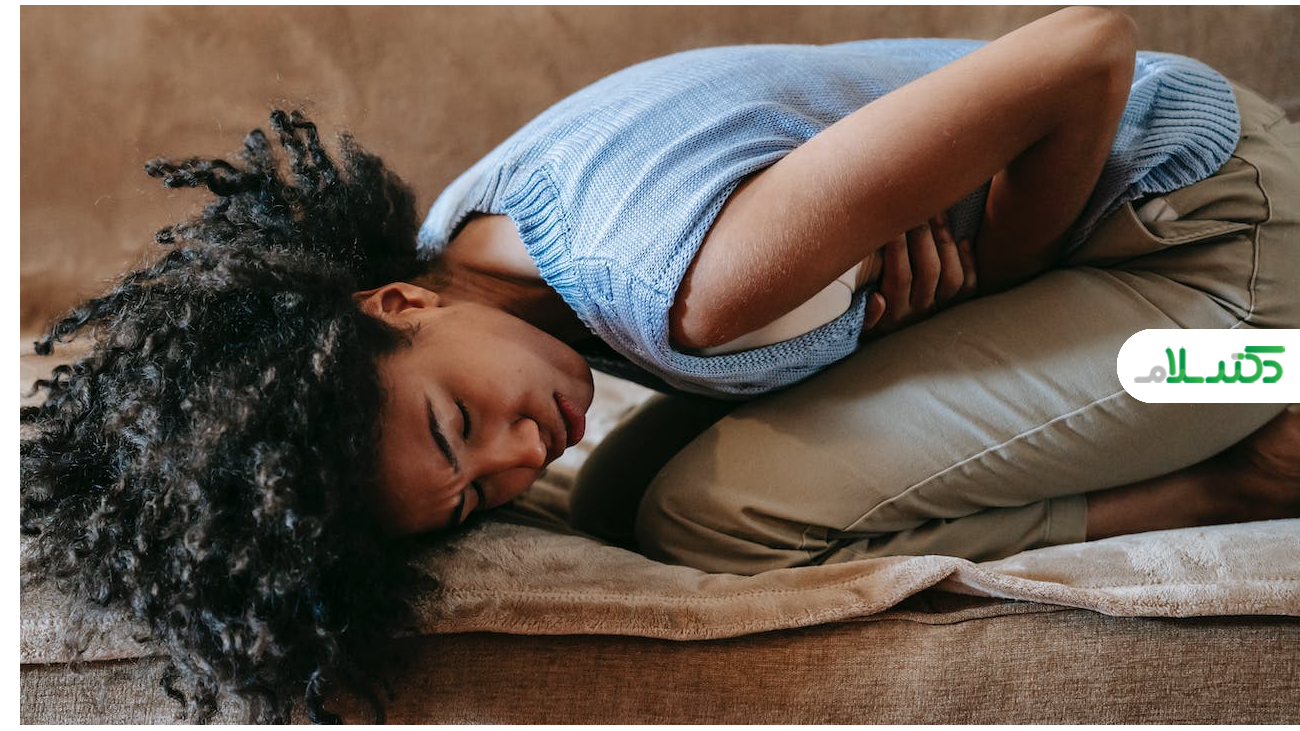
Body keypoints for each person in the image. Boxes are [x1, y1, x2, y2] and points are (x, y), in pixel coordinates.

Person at [20, 6, 1298, 724]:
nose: (524, 455)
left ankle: (1246, 452)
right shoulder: (473, 237)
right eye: (472, 496)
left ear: (394, 304)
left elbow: (1083, 49)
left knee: (710, 514)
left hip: (1214, 238)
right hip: (1153, 224)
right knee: (624, 498)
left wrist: (994, 280)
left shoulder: (688, 285)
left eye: (459, 423)